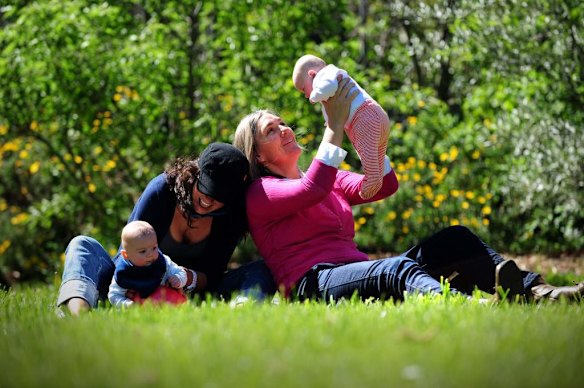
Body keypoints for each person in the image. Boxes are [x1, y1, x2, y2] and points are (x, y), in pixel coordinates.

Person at [233, 78, 583, 303]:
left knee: (455, 239)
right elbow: (313, 188)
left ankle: (539, 292)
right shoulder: (261, 193)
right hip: (315, 284)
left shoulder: (330, 178)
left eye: (282, 122)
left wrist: (366, 131)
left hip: (353, 271)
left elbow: (384, 185)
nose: (284, 129)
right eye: (270, 130)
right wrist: (334, 126)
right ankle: (473, 308)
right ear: (258, 155)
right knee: (395, 269)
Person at [57, 142, 276, 315]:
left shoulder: (230, 217)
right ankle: (77, 314)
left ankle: (241, 313)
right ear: (196, 174)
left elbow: (212, 275)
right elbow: (127, 250)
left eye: (219, 198)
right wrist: (136, 285)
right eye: (205, 190)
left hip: (188, 295)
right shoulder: (162, 191)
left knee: (262, 269)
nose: (208, 201)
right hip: (130, 286)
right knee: (82, 244)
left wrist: (185, 278)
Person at [292, 54, 390, 199]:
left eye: (303, 89)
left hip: (363, 118)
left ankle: (373, 180)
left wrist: (315, 95)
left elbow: (329, 86)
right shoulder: (330, 74)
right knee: (376, 153)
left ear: (311, 74)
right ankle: (378, 176)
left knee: (368, 155)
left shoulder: (325, 75)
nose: (306, 95)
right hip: (375, 116)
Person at [108, 221, 190, 307]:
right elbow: (114, 296)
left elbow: (180, 272)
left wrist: (178, 279)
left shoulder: (162, 262)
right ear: (126, 255)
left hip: (169, 301)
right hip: (141, 308)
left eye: (154, 248)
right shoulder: (123, 273)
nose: (150, 254)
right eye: (143, 251)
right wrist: (129, 305)